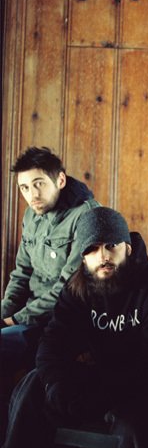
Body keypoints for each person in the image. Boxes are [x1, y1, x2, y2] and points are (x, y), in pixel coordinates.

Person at [0, 207, 148, 448]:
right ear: (83, 257)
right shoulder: (78, 287)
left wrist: (96, 395)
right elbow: (52, 344)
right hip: (96, 378)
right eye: (92, 249)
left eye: (111, 245)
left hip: (143, 386)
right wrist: (57, 385)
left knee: (140, 425)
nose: (103, 256)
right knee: (33, 385)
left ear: (127, 248)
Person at [1, 146, 99, 366]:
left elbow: (69, 288)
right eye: (25, 188)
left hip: (62, 320)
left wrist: (14, 320)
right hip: (27, 315)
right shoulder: (31, 214)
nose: (32, 195)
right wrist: (4, 314)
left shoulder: (86, 215)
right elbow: (21, 274)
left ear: (60, 180)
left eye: (39, 184)